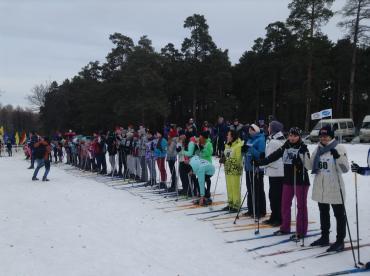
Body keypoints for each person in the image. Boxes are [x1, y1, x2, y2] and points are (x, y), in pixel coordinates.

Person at [256, 127, 310, 240]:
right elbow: (274, 156)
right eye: (290, 135)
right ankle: (285, 227)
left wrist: (299, 163)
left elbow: (308, 165)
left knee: (301, 206)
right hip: (288, 180)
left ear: (299, 136)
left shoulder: (303, 148)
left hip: (301, 181)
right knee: (285, 205)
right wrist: (261, 162)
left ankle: (301, 231)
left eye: (295, 136)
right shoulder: (285, 146)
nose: (292, 138)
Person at [307, 126, 350, 252]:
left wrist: (338, 157)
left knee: (339, 215)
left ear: (331, 136)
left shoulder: (339, 148)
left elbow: (345, 169)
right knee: (323, 212)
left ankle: (340, 241)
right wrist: (303, 156)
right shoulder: (318, 149)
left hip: (334, 187)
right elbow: (310, 165)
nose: (323, 138)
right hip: (321, 186)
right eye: (321, 136)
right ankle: (324, 237)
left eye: (326, 136)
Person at [242, 124, 266, 218]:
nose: (249, 132)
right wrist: (243, 150)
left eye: (251, 130)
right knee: (250, 189)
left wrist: (250, 149)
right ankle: (251, 209)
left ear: (255, 130)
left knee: (257, 190)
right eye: (249, 130)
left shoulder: (261, 139)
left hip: (257, 169)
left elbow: (261, 154)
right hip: (248, 168)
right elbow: (247, 152)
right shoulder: (249, 139)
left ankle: (260, 210)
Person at [263, 121, 285, 226]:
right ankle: (274, 216)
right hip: (275, 171)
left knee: (275, 196)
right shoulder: (275, 139)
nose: (268, 129)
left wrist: (261, 164)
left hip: (276, 172)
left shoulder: (274, 141)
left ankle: (278, 218)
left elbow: (270, 157)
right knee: (273, 195)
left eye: (269, 127)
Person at [220, 130, 244, 212]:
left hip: (235, 169)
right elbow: (227, 156)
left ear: (232, 136)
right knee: (229, 187)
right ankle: (230, 203)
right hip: (228, 169)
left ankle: (236, 204)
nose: (227, 136)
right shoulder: (228, 145)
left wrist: (227, 161)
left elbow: (238, 160)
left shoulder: (238, 145)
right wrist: (223, 159)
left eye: (228, 135)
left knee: (235, 187)